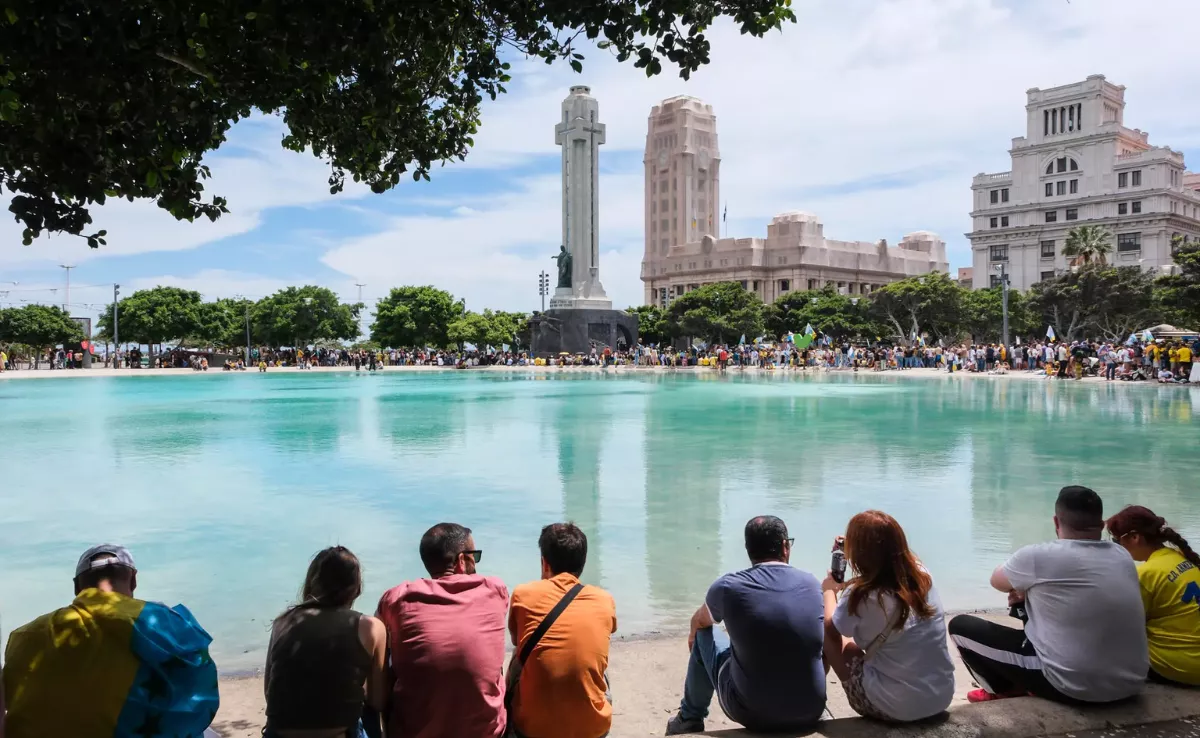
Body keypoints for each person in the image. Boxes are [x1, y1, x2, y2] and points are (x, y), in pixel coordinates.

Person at [948, 486, 1147, 704]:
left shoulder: (1038, 556)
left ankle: (999, 690)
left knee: (960, 627)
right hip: (1132, 683)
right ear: (1101, 525)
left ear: (1056, 522)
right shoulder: (1121, 555)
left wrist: (1026, 586)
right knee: (1034, 597)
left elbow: (997, 582)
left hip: (1072, 686)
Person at [3, 545, 219, 738]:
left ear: (77, 587)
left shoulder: (26, 636)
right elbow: (201, 695)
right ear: (133, 580)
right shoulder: (165, 624)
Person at [665, 516, 825, 735]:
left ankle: (689, 718)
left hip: (751, 713)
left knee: (705, 633)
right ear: (785, 546)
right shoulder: (812, 584)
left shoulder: (728, 587)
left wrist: (695, 637)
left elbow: (699, 621)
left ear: (748, 549)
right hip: (811, 710)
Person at [376, 523, 508, 738]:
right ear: (462, 560)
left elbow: (376, 639)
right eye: (474, 556)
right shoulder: (494, 589)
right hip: (485, 733)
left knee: (387, 654)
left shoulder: (397, 597)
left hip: (414, 733)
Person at [823, 512, 955, 722]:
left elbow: (831, 629)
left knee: (837, 640)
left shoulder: (861, 595)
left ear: (860, 554)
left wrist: (829, 591)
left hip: (895, 708)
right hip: (941, 697)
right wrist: (856, 547)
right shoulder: (922, 575)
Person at [265, 547, 387, 738]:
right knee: (368, 710)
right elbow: (378, 700)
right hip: (340, 734)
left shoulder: (284, 622)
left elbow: (269, 692)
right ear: (356, 588)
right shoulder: (371, 627)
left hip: (277, 735)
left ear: (312, 583)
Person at [508, 523, 616, 738]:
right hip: (593, 730)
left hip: (532, 730)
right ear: (583, 563)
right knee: (597, 662)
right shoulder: (604, 599)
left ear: (544, 563)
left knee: (518, 655)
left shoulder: (523, 594)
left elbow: (516, 640)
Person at [1106, 506, 1200, 686]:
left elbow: (1125, 626)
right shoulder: (1179, 556)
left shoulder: (1147, 574)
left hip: (1183, 666)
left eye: (1118, 541)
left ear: (1135, 537)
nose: (1118, 547)